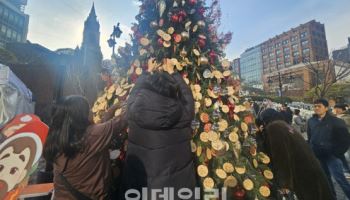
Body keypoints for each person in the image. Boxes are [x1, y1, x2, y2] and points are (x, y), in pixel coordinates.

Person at [123, 58, 195, 199]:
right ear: (171, 90)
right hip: (176, 190)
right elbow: (188, 99)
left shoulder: (133, 111)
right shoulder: (183, 114)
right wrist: (173, 73)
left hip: (142, 189)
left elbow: (132, 95)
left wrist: (147, 72)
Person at [43, 95, 127, 200]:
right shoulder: (93, 135)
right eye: (89, 109)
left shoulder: (59, 138)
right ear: (82, 114)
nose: (91, 111)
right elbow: (121, 121)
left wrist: (113, 108)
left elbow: (102, 126)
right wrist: (129, 104)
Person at [263, 120, 334, 200]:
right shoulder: (283, 126)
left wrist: (284, 184)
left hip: (303, 172)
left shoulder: (274, 129)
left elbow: (281, 157)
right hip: (311, 166)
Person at [307, 99, 350, 199]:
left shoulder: (337, 121)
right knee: (326, 179)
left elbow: (345, 140)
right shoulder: (311, 121)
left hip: (332, 156)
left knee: (340, 179)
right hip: (318, 154)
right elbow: (310, 137)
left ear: (326, 108)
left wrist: (336, 153)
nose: (316, 108)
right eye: (315, 106)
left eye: (319, 106)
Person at [334, 103, 350, 177]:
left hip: (346, 137)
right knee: (340, 154)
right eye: (335, 108)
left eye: (338, 108)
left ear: (343, 109)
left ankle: (346, 169)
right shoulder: (336, 117)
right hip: (339, 139)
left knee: (344, 154)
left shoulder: (346, 117)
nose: (336, 110)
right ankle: (346, 169)